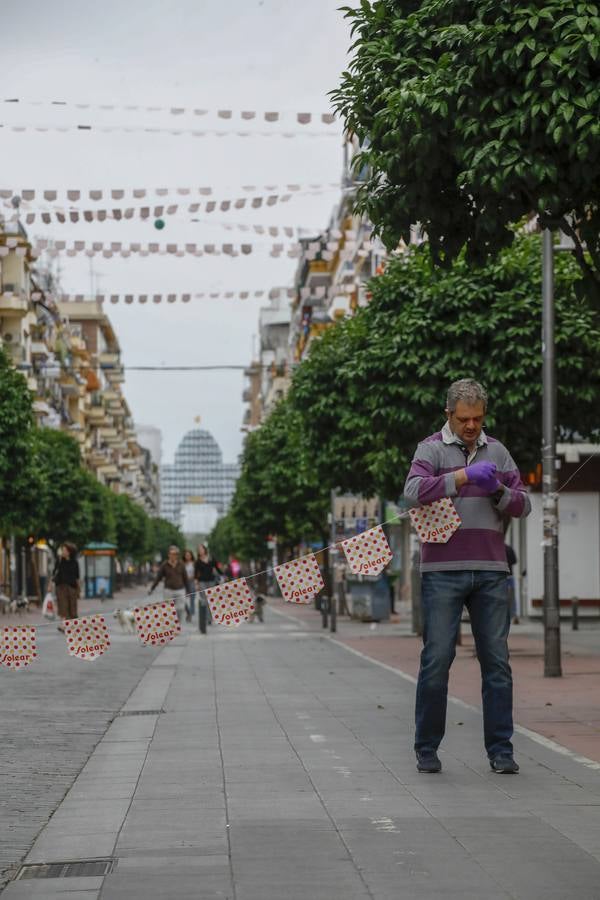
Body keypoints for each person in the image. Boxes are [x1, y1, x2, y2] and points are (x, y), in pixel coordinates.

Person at [403, 379, 531, 776]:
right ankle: (426, 748)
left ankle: (501, 751)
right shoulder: (430, 449)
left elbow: (522, 505)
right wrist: (461, 477)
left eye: (477, 418)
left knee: (497, 664)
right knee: (437, 659)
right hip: (442, 572)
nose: (471, 426)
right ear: (449, 416)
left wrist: (497, 491)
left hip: (491, 572)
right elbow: (412, 491)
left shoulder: (499, 452)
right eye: (463, 419)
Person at [148, 545, 191, 624]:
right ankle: (172, 624)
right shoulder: (164, 565)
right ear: (168, 554)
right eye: (172, 554)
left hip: (180, 589)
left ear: (177, 555)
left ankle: (178, 623)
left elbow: (185, 578)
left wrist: (188, 590)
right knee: (168, 609)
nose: (173, 556)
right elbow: (158, 578)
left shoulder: (181, 564)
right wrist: (152, 588)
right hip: (168, 590)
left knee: (180, 608)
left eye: (175, 554)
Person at [52, 543, 80, 632]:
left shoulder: (75, 562)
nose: (62, 552)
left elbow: (77, 576)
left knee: (72, 607)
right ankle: (63, 624)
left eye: (64, 550)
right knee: (63, 606)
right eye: (62, 550)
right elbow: (54, 572)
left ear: (69, 552)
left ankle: (71, 624)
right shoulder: (59, 560)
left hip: (72, 587)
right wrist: (51, 584)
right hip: (61, 586)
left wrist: (78, 590)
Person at [195, 544, 222, 634]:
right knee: (204, 600)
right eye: (199, 550)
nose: (200, 551)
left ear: (205, 550)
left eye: (201, 549)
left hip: (211, 581)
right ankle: (206, 618)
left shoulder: (211, 558)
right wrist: (196, 584)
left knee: (211, 600)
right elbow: (196, 573)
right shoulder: (198, 561)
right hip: (202, 581)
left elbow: (217, 568)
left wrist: (223, 575)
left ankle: (210, 618)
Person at [505, 543, 519, 624]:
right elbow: (514, 561)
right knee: (512, 597)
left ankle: (502, 617)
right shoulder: (509, 548)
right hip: (510, 576)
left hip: (500, 577)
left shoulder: (497, 548)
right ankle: (514, 616)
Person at [182, 550, 196, 622]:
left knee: (192, 599)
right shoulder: (182, 564)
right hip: (184, 583)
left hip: (192, 582)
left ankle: (190, 614)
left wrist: (192, 578)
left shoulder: (194, 563)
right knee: (182, 599)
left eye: (189, 555)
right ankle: (188, 612)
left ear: (191, 556)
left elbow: (196, 573)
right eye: (186, 555)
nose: (187, 556)